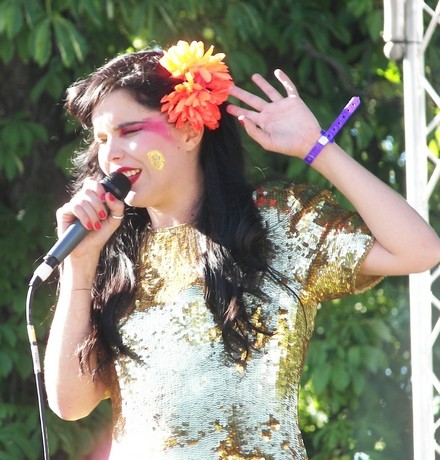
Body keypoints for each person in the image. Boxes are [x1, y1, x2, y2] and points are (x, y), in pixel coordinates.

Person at [44, 40, 440, 459]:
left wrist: (316, 146)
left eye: (130, 131)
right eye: (102, 138)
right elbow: (69, 403)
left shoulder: (275, 224)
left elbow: (419, 249)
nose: (110, 153)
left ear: (190, 129)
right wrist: (80, 262)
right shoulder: (111, 255)